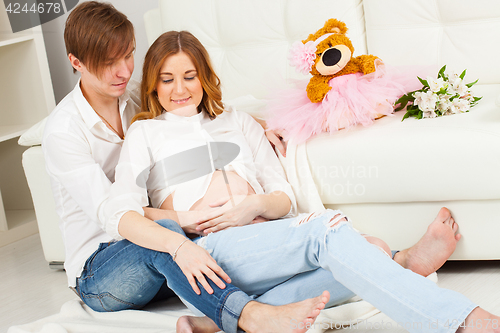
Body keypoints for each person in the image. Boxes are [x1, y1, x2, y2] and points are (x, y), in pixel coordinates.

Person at [100, 30, 500, 333]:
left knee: (370, 249)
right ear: (153, 83)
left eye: (190, 76)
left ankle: (217, 324)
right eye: (167, 79)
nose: (180, 89)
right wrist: (185, 219)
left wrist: (254, 206)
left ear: (205, 77)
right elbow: (125, 210)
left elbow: (284, 198)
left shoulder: (237, 122)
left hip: (267, 236)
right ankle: (457, 318)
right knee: (328, 231)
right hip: (214, 248)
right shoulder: (146, 133)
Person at [42, 3, 333, 333]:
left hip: (163, 250)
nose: (123, 71)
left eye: (127, 55)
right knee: (168, 235)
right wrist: (181, 233)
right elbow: (114, 217)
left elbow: (192, 109)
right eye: (108, 63)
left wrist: (259, 125)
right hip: (102, 269)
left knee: (234, 247)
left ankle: (373, 259)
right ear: (76, 63)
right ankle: (250, 316)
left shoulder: (131, 97)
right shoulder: (63, 133)